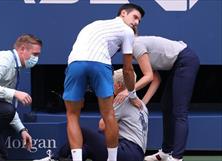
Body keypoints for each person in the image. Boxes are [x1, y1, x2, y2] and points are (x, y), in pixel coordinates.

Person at [62, 3, 145, 161]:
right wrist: (132, 94)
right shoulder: (127, 31)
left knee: (72, 115)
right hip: (100, 65)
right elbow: (128, 69)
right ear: (123, 13)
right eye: (135, 17)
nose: (136, 22)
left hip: (74, 64)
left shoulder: (94, 24)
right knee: (108, 114)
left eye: (139, 21)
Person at [115, 36, 200, 161]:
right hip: (178, 64)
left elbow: (148, 77)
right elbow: (156, 78)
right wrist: (142, 104)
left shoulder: (136, 46)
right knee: (166, 105)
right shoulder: (134, 51)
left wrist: (128, 92)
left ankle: (177, 157)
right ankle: (166, 152)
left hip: (186, 60)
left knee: (180, 111)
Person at [56, 68, 152, 161]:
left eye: (112, 83)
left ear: (118, 85)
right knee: (87, 148)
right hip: (137, 154)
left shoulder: (121, 99)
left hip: (127, 151)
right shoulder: (142, 104)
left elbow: (102, 125)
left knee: (81, 132)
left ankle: (56, 157)